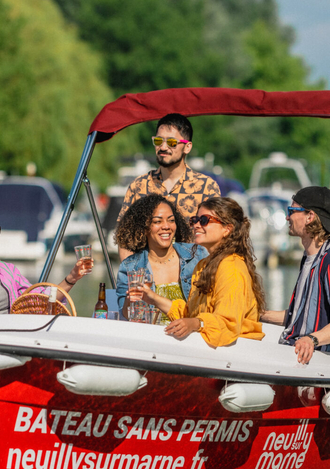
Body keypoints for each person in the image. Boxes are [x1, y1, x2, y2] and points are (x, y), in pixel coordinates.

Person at [129, 197, 264, 347]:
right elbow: (190, 315)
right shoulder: (203, 265)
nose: (196, 225)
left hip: (238, 355)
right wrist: (152, 298)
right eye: (195, 220)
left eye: (205, 220)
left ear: (227, 229)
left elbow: (227, 323)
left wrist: (196, 323)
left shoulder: (231, 267)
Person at [260, 186, 330, 365]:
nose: (288, 217)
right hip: (293, 350)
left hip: (316, 359)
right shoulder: (309, 257)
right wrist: (257, 314)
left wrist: (311, 339)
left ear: (310, 217)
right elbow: (299, 317)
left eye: (291, 210)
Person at [116, 113, 221, 260]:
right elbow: (124, 238)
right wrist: (132, 276)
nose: (163, 147)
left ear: (187, 147)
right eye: (158, 141)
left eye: (171, 142)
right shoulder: (139, 186)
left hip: (193, 277)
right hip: (148, 278)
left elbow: (215, 238)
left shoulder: (206, 187)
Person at [113, 194, 204, 324]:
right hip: (152, 338)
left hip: (191, 336)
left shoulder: (197, 255)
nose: (166, 226)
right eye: (157, 221)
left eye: (171, 220)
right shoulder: (130, 266)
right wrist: (130, 299)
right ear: (143, 228)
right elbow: (126, 316)